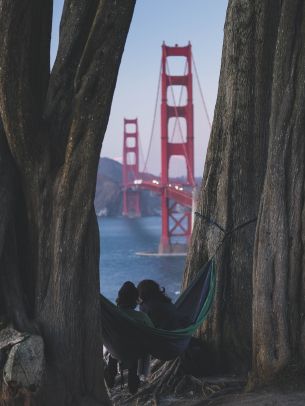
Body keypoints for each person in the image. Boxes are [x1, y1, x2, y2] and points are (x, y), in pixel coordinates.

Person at [104, 281, 153, 394]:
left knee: (114, 346)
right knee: (136, 355)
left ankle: (110, 376)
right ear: (135, 300)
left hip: (115, 350)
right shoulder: (142, 317)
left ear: (119, 297)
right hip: (134, 353)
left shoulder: (112, 314)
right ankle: (133, 387)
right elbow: (153, 332)